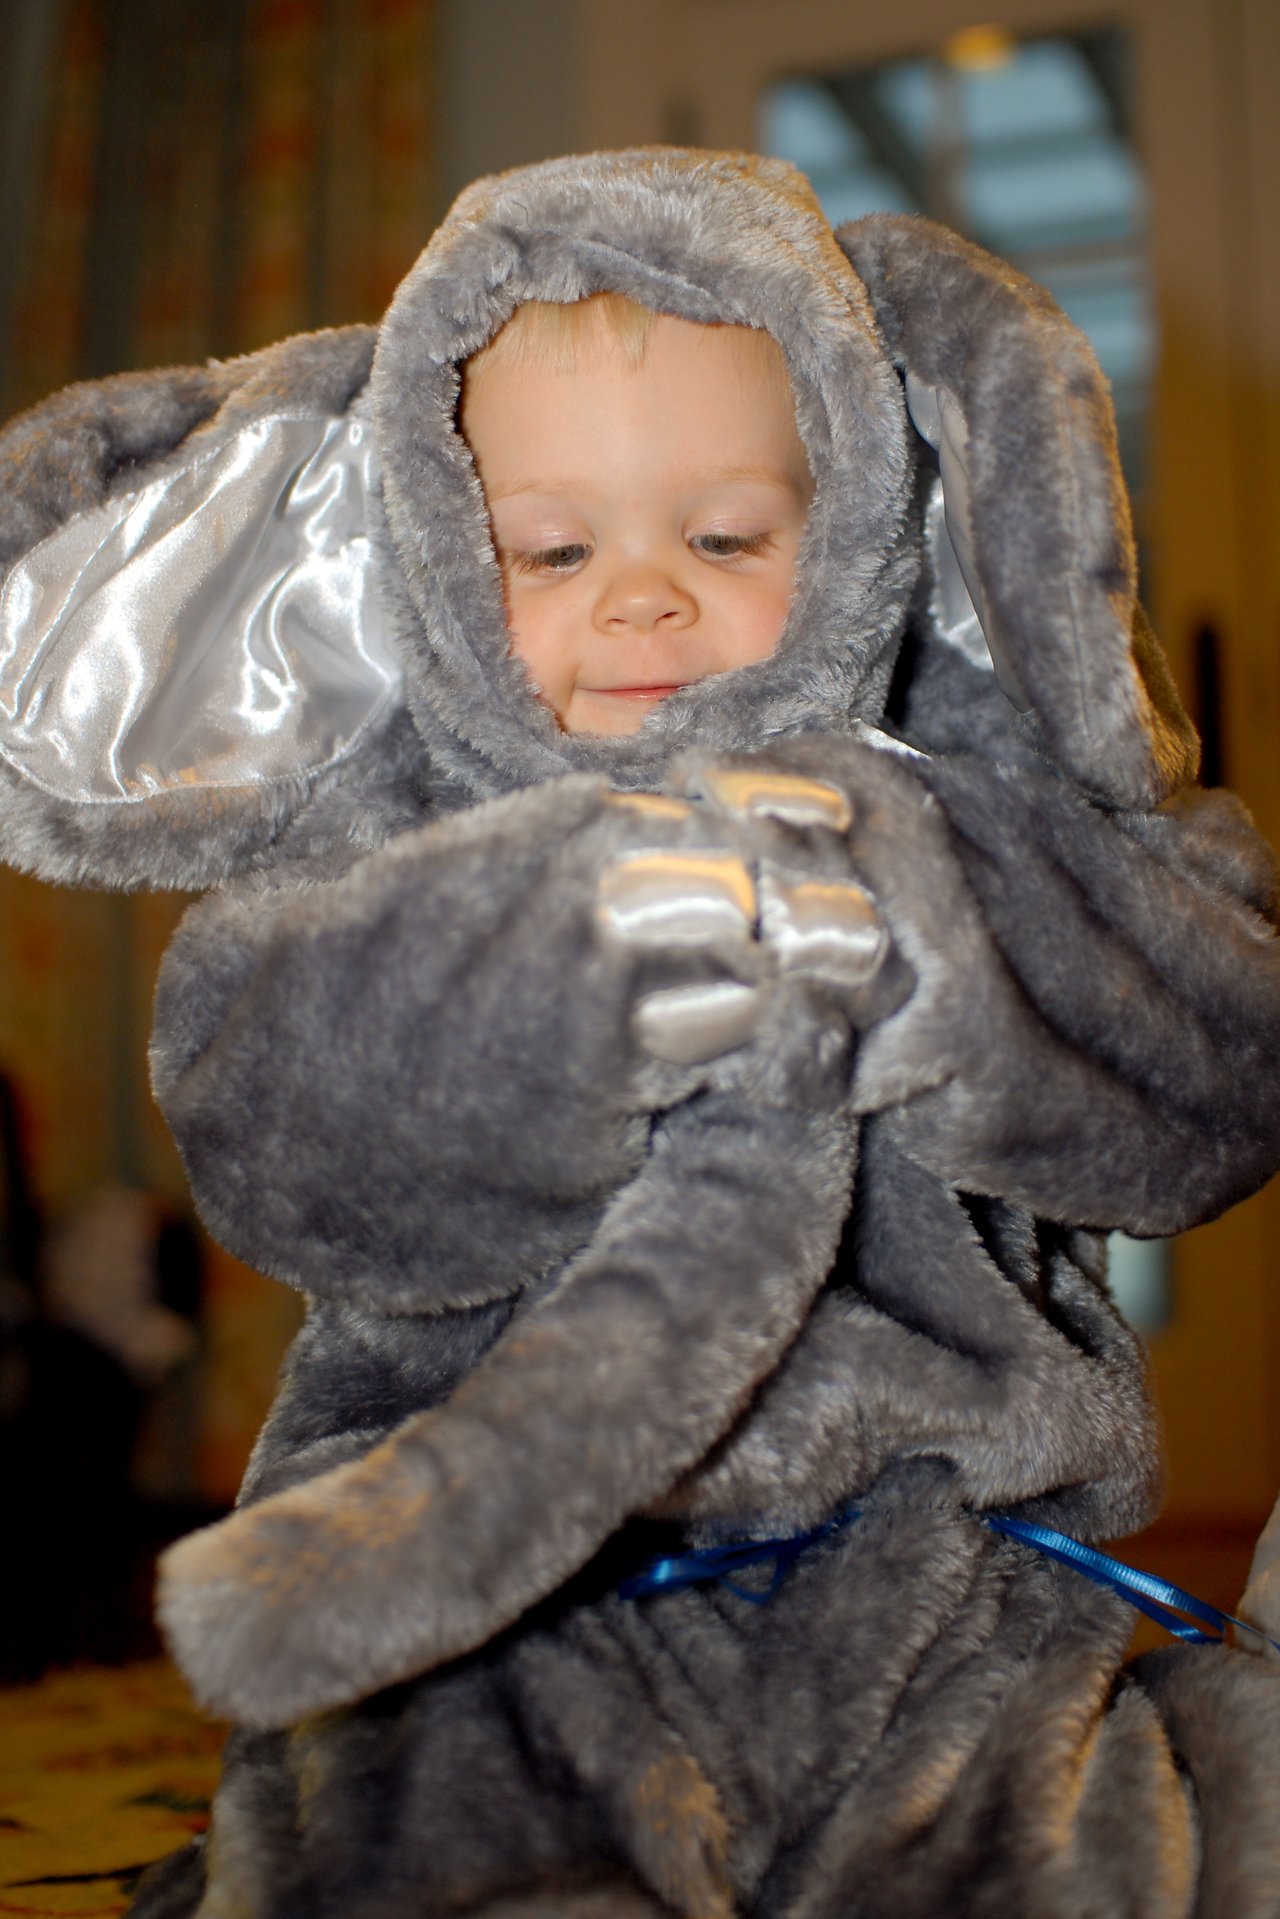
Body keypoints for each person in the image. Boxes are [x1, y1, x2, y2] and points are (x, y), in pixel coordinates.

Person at [1, 149, 1278, 1916]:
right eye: (555, 549)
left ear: (860, 530)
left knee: (1079, 1858)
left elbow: (1217, 1062)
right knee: (433, 1855)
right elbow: (280, 1127)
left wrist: (929, 936)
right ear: (429, 564)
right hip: (494, 1593)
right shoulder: (379, 867)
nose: (642, 597)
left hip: (940, 1570)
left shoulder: (947, 812)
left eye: (725, 536)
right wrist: (564, 969)